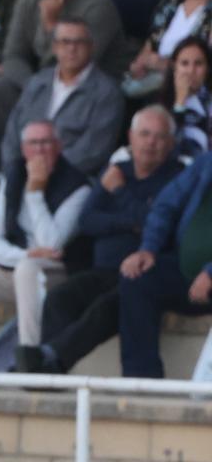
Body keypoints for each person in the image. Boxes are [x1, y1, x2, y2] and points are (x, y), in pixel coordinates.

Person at [26, 105, 182, 373]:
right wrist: (132, 221)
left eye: (159, 136)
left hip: (142, 274)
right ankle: (48, 367)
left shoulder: (176, 178)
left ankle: (50, 361)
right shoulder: (116, 171)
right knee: (60, 297)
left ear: (170, 143)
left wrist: (120, 194)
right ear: (131, 137)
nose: (151, 143)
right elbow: (87, 220)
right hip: (104, 270)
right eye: (145, 134)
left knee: (107, 306)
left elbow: (158, 223)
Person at [0, 120, 92, 368]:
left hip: (59, 274)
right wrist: (25, 254)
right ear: (23, 150)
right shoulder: (11, 178)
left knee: (28, 270)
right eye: (33, 143)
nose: (40, 150)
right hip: (20, 265)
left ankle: (28, 356)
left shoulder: (77, 187)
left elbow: (52, 244)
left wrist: (35, 193)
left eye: (46, 142)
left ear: (58, 146)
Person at [0, 0, 128, 129]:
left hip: (89, 85)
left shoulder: (98, 7)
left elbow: (74, 65)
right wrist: (34, 86)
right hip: (40, 81)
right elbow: (12, 56)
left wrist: (51, 24)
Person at [116, 146, 212, 377]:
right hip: (187, 272)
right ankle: (141, 381)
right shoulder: (206, 163)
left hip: (207, 277)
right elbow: (165, 205)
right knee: (138, 278)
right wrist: (148, 248)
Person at [0, 17, 126, 177]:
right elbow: (12, 136)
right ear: (54, 47)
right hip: (22, 174)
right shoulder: (37, 82)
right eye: (65, 42)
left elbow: (93, 151)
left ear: (91, 47)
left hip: (71, 180)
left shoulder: (107, 93)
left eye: (79, 42)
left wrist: (47, 173)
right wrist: (17, 171)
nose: (72, 48)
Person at [125, 0, 212, 102]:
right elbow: (148, 48)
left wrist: (167, 66)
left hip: (195, 95)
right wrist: (139, 65)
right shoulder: (169, 3)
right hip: (156, 89)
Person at [164, 37, 212, 158]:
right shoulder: (162, 101)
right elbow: (168, 142)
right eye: (184, 64)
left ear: (207, 68)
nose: (191, 71)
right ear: (174, 67)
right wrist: (180, 102)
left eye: (198, 64)